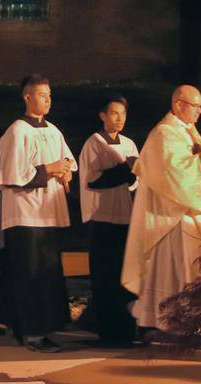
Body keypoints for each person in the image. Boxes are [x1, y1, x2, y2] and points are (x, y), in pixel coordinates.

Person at [123, 85, 201, 338]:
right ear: (178, 105)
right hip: (173, 219)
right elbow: (176, 176)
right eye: (195, 106)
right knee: (183, 274)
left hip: (195, 216)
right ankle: (176, 328)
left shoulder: (188, 132)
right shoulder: (164, 134)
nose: (200, 111)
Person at [0, 74, 75, 353]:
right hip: (25, 215)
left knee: (44, 273)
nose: (47, 99)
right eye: (42, 94)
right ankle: (33, 333)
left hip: (48, 212)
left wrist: (64, 170)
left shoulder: (54, 131)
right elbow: (13, 174)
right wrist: (51, 168)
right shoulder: (17, 132)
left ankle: (11, 318)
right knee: (30, 274)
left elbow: (68, 161)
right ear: (27, 97)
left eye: (49, 94)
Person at [78, 95, 139, 345]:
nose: (119, 118)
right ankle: (105, 329)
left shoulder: (129, 143)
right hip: (101, 217)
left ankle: (125, 329)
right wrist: (126, 169)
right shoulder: (94, 143)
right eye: (114, 113)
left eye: (123, 114)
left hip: (124, 217)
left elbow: (136, 181)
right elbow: (93, 180)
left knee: (123, 276)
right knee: (104, 276)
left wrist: (131, 172)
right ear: (102, 116)